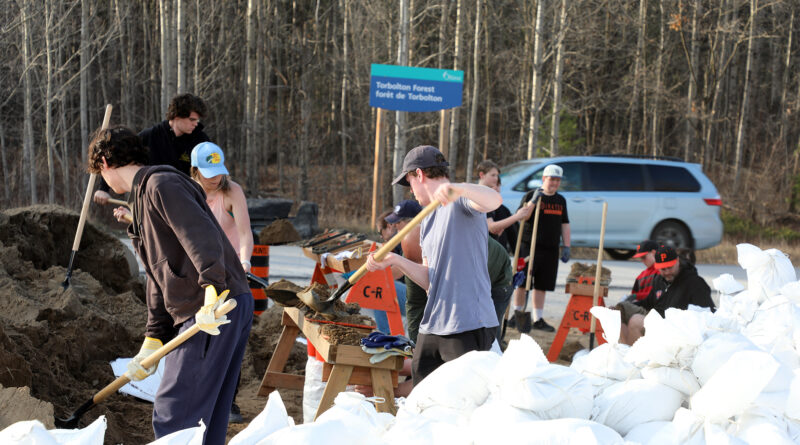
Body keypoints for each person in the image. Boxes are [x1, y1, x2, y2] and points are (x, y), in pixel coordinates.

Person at [88, 126, 252, 444]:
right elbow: (157, 276)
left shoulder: (162, 184)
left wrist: (212, 292)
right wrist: (152, 338)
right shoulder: (143, 202)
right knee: (207, 420)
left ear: (105, 163)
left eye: (99, 173)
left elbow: (202, 238)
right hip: (214, 303)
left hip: (215, 306)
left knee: (175, 413)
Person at [365, 145, 502, 385]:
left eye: (409, 183)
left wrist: (458, 189)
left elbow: (494, 201)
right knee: (422, 397)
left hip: (467, 324)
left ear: (419, 175)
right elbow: (430, 280)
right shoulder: (426, 218)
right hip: (434, 325)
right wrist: (394, 260)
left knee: (462, 402)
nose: (411, 192)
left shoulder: (461, 201)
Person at [190, 141, 254, 424]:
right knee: (197, 337)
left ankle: (228, 402)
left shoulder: (232, 191)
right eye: (208, 172)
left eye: (218, 171)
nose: (214, 177)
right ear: (195, 171)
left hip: (229, 274)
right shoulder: (187, 192)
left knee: (227, 338)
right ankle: (195, 398)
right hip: (199, 273)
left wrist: (245, 262)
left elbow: (244, 232)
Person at [94, 93, 210, 205]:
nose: (196, 124)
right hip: (151, 202)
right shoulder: (150, 136)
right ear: (176, 116)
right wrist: (103, 189)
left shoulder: (201, 141)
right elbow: (116, 157)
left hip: (187, 201)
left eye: (197, 120)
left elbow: (212, 169)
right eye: (192, 120)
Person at [510, 164, 571, 333]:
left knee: (542, 285)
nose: (554, 183)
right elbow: (523, 217)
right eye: (552, 179)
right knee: (521, 282)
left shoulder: (560, 200)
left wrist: (567, 245)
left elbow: (565, 224)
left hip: (550, 249)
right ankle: (517, 313)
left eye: (558, 180)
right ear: (544, 179)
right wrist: (533, 201)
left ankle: (538, 318)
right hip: (529, 246)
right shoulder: (530, 195)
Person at [615, 245, 715, 345]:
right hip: (657, 316)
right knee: (616, 313)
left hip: (676, 327)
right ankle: (624, 352)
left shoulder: (695, 283)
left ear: (677, 262)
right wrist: (633, 301)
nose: (667, 272)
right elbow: (650, 302)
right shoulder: (658, 279)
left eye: (670, 267)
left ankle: (634, 358)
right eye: (663, 269)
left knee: (636, 321)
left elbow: (708, 313)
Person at [476, 160, 531, 252]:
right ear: (482, 175)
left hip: (490, 249)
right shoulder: (479, 196)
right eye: (493, 175)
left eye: (497, 175)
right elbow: (492, 227)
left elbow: (510, 233)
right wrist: (517, 216)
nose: (496, 178)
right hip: (478, 249)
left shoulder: (497, 205)